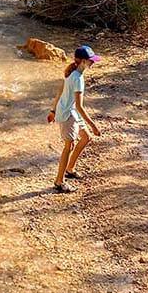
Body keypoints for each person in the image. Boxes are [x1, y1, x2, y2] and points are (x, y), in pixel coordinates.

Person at [48, 44, 101, 193]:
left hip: (70, 112)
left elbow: (60, 92)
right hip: (67, 114)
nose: (93, 63)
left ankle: (69, 169)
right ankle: (59, 181)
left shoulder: (73, 73)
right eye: (91, 60)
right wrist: (93, 125)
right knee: (68, 146)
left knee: (86, 138)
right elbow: (79, 106)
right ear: (83, 61)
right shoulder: (77, 78)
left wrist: (52, 110)